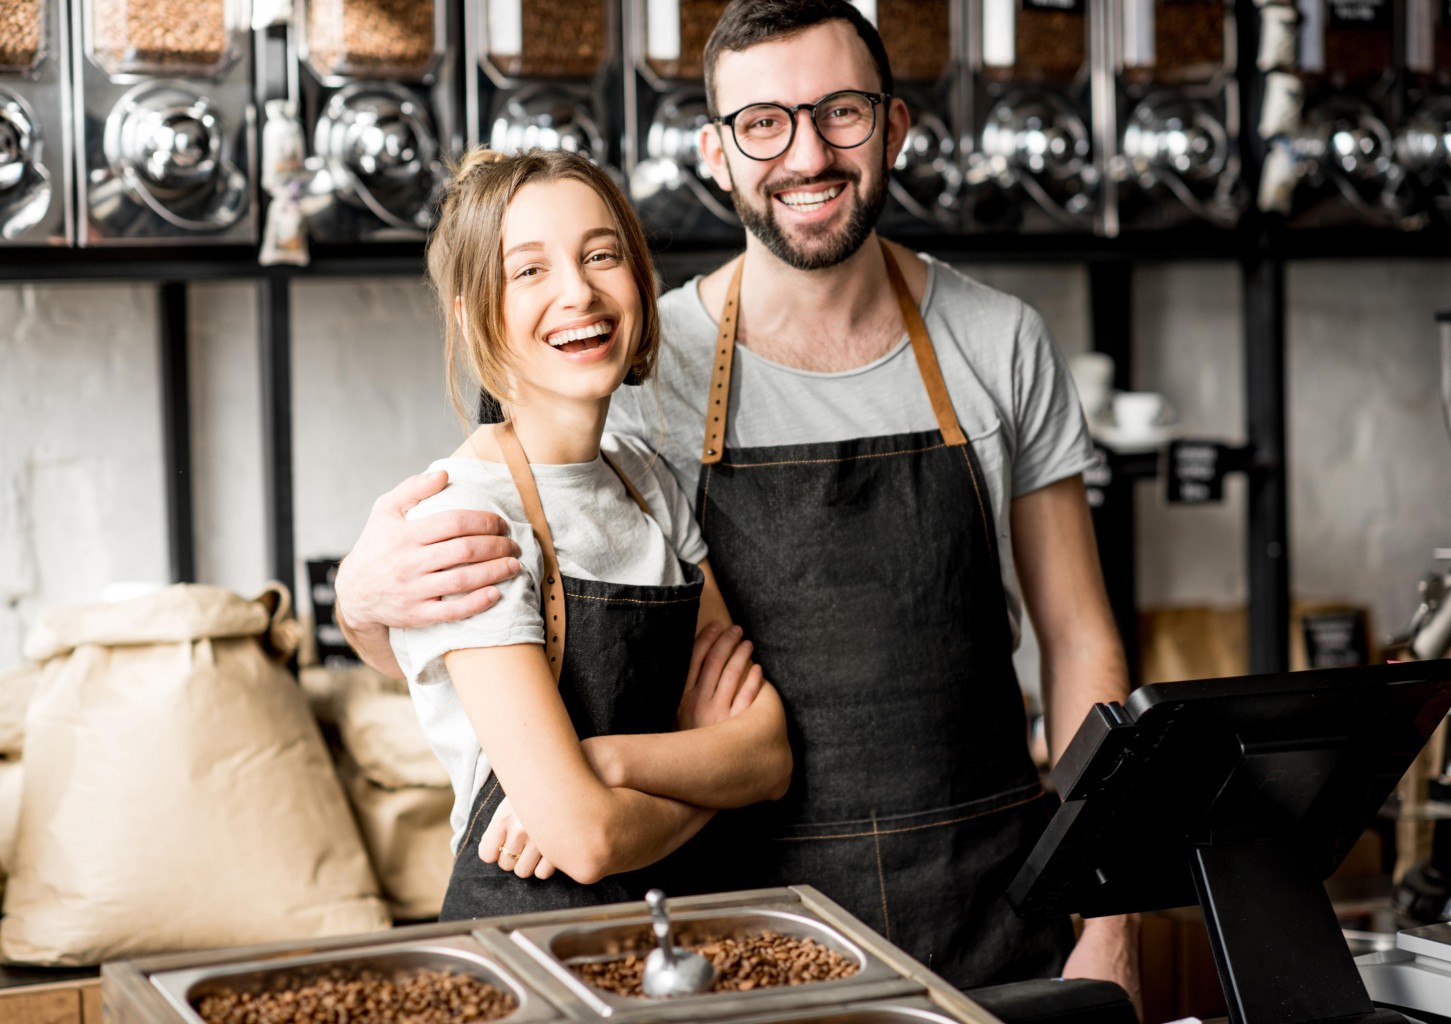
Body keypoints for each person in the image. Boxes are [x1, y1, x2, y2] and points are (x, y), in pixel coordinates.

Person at [335, 0, 1139, 1002]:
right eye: (763, 123)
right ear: (714, 153)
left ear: (892, 126)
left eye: (840, 112)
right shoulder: (636, 359)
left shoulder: (998, 341)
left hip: (990, 900)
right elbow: (490, 621)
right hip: (744, 926)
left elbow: (1080, 640)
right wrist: (360, 604)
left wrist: (1112, 919)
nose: (806, 155)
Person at [389, 146, 792, 917]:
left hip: (676, 929)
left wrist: (602, 762)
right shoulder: (468, 520)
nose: (578, 292)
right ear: (473, 317)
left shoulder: (644, 480)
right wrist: (706, 773)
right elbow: (586, 841)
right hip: (530, 945)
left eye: (601, 256)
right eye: (529, 270)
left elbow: (767, 756)